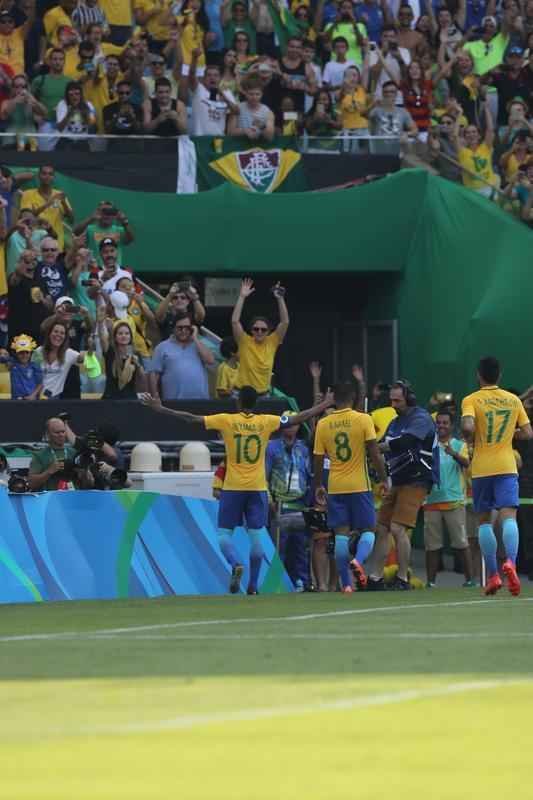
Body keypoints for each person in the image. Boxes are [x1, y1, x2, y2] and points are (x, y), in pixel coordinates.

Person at [140, 385, 332, 593]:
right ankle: (253, 585)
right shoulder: (265, 421)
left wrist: (161, 409)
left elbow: (191, 418)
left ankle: (235, 563)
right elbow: (297, 418)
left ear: (238, 402)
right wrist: (324, 404)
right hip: (257, 488)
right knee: (257, 536)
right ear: (255, 403)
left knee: (223, 535)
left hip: (233, 488)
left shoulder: (226, 420)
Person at [461, 356, 533, 597]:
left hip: (482, 468)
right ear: (499, 375)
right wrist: (508, 435)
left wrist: (469, 435)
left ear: (478, 375)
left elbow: (469, 427)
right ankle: (510, 562)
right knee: (508, 517)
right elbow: (528, 432)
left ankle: (493, 575)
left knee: (483, 521)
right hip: (506, 465)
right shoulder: (513, 400)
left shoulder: (471, 399)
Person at [314, 381, 387, 592]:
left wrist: (319, 484)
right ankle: (359, 560)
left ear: (333, 399)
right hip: (359, 484)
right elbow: (374, 452)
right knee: (369, 529)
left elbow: (318, 458)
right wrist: (383, 478)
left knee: (341, 535)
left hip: (336, 486)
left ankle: (346, 584)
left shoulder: (324, 424)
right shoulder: (363, 419)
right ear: (354, 398)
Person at [369, 380, 438, 590]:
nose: (393, 404)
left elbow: (406, 441)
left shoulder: (421, 418)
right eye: (391, 400)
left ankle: (402, 579)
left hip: (417, 479)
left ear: (409, 398)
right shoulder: (394, 422)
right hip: (398, 479)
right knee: (381, 528)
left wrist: (376, 447)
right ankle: (375, 578)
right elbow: (381, 444)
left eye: (397, 400)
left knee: (398, 529)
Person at [423, 409, 475, 588]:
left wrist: (453, 453)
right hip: (431, 501)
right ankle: (430, 582)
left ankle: (470, 580)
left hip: (454, 501)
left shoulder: (459, 445)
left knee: (461, 543)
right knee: (432, 546)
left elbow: (467, 463)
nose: (441, 426)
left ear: (451, 425)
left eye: (445, 423)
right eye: (439, 422)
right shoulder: (429, 446)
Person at [266, 412, 313, 591]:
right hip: (280, 506)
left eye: (295, 423)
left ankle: (302, 582)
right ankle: (274, 585)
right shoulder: (271, 448)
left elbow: (308, 475)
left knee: (300, 547)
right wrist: (270, 499)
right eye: (288, 423)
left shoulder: (303, 448)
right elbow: (265, 476)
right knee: (279, 549)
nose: (291, 426)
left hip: (300, 505)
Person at [231, 277, 289, 395]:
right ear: (251, 330)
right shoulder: (244, 340)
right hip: (241, 393)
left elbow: (285, 322)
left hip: (263, 395)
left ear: (268, 331)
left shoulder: (272, 341)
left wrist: (280, 299)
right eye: (256, 329)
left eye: (263, 330)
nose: (259, 332)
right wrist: (242, 297)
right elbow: (234, 321)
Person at [149, 312, 215, 400]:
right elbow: (154, 374)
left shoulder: (199, 345)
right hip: (174, 402)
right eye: (180, 328)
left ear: (192, 328)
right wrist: (154, 396)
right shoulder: (162, 347)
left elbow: (210, 360)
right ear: (173, 328)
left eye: (187, 328)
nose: (183, 330)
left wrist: (195, 338)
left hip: (200, 401)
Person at [28, 415, 94, 491]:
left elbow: (90, 484)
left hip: (73, 497)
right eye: (57, 432)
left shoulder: (75, 453)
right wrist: (49, 471)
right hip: (51, 498)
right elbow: (31, 484)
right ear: (48, 434)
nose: (61, 435)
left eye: (63, 432)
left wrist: (84, 472)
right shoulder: (39, 455)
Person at [20, 165, 74, 253]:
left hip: (56, 246)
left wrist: (64, 203)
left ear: (54, 177)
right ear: (39, 176)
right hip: (35, 245)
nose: (47, 176)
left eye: (50, 174)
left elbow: (71, 220)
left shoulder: (59, 194)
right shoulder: (27, 194)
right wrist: (48, 204)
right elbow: (27, 219)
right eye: (44, 173)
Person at [33, 321, 89, 399]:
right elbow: (31, 372)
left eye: (62, 333)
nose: (58, 335)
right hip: (35, 396)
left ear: (65, 337)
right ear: (49, 334)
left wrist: (88, 351)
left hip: (55, 398)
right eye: (55, 331)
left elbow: (85, 360)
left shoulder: (69, 353)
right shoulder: (39, 351)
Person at [187, 50, 237, 136]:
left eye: (215, 75)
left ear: (220, 78)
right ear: (203, 78)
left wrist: (224, 98)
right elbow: (191, 74)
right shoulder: (199, 90)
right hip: (199, 139)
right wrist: (194, 58)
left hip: (219, 140)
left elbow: (237, 111)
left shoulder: (226, 93)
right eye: (209, 75)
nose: (212, 78)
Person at [74, 200, 134, 266]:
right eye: (104, 212)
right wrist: (91, 218)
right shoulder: (89, 229)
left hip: (114, 271)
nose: (107, 215)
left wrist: (124, 222)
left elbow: (130, 239)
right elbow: (76, 232)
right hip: (95, 270)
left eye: (110, 212)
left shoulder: (119, 230)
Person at [100, 318, 146, 399]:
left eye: (127, 333)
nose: (124, 336)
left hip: (129, 399)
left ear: (130, 336)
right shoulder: (111, 351)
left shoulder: (135, 353)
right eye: (120, 333)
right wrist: (101, 323)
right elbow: (103, 339)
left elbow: (142, 377)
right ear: (115, 337)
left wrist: (137, 364)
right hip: (111, 398)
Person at [227, 75, 274, 141]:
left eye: (257, 94)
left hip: (260, 148)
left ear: (262, 94)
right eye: (251, 94)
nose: (254, 97)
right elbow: (230, 132)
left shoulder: (267, 112)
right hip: (239, 148)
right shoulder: (237, 108)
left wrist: (261, 126)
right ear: (245, 93)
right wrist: (245, 131)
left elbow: (270, 137)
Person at [0, 333, 43, 399]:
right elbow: (2, 358)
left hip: (31, 400)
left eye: (27, 352)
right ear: (16, 353)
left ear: (31, 353)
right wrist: (4, 355)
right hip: (15, 401)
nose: (24, 355)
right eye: (21, 352)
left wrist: (33, 396)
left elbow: (40, 383)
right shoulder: (12, 363)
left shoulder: (35, 366)